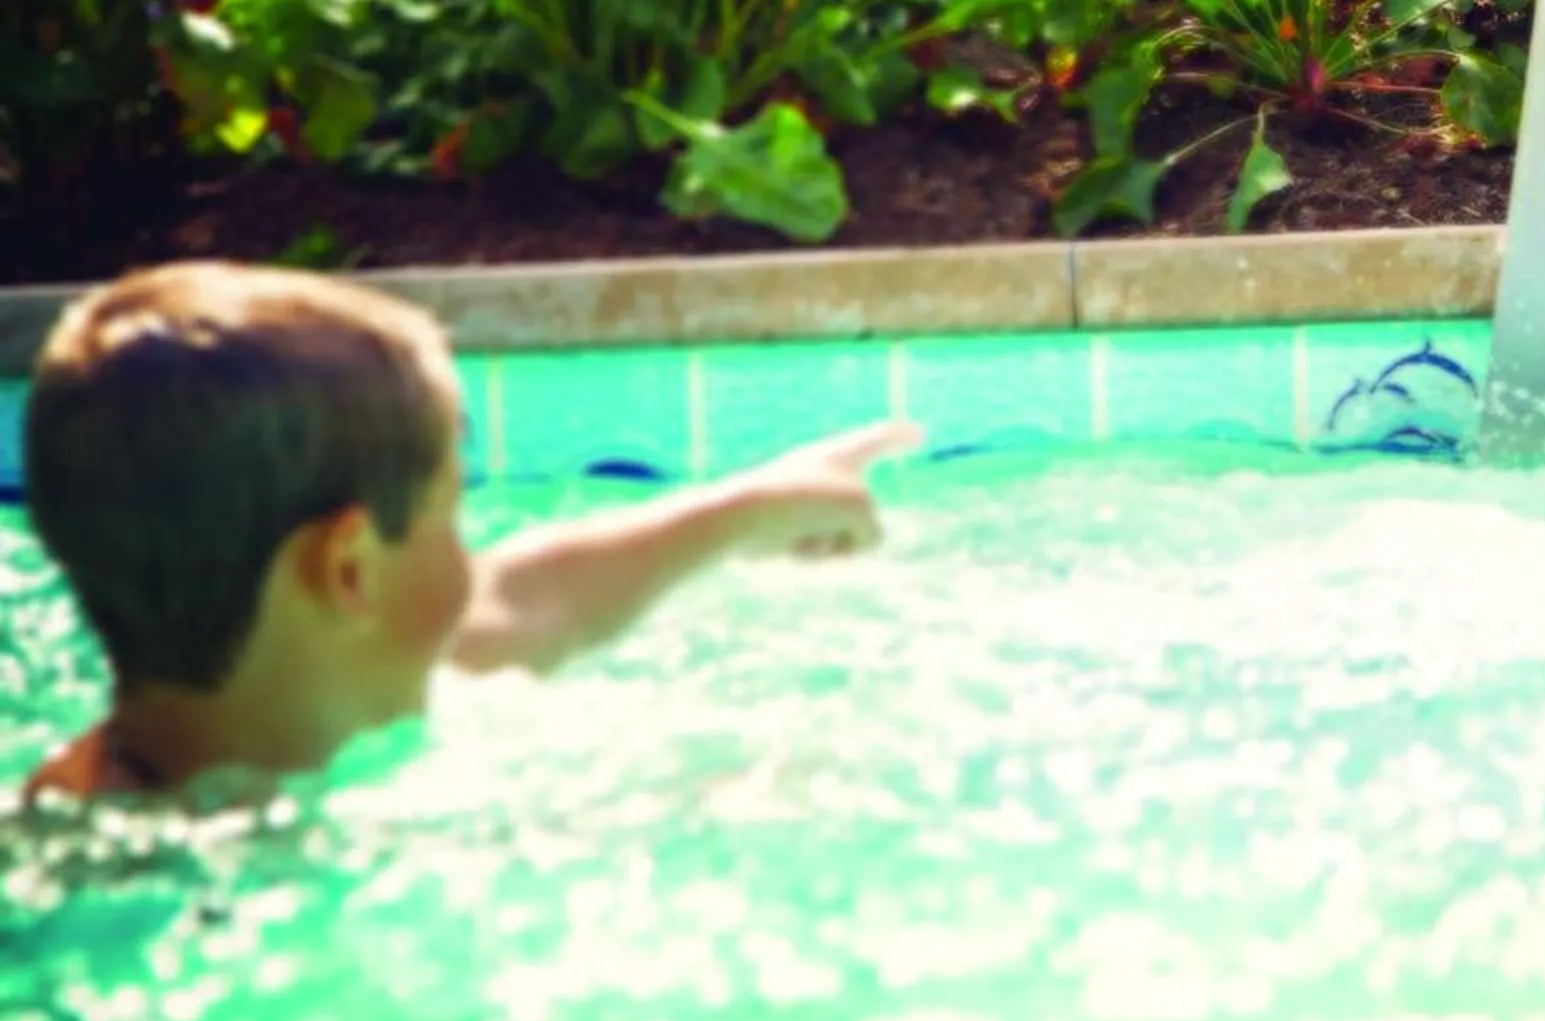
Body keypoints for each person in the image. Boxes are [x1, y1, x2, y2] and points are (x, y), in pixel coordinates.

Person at [15, 261, 917, 804]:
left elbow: (525, 601)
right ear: (350, 570)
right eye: (454, 515)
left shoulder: (311, 670)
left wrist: (754, 507)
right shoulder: (102, 890)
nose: (471, 562)